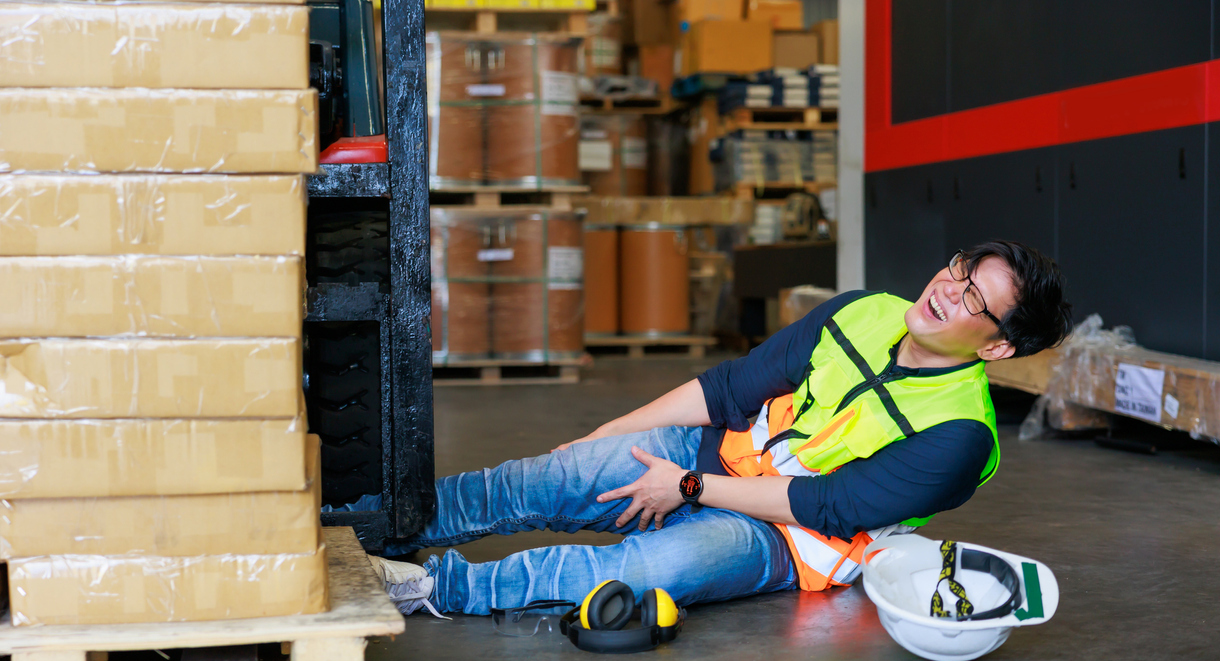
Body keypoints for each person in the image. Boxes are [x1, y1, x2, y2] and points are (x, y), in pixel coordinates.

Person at [372, 240, 1073, 617]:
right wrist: (603, 437)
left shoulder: (960, 433)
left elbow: (821, 507)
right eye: (960, 270)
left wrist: (687, 487)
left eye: (976, 297)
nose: (949, 289)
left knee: (649, 571)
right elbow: (731, 388)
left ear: (996, 346)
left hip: (787, 537)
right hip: (720, 457)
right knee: (558, 475)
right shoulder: (867, 311)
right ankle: (386, 524)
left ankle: (435, 590)